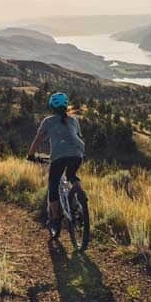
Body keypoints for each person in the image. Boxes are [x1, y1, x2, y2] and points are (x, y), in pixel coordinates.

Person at [27, 92, 85, 237]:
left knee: (53, 185)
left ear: (51, 107)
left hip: (59, 156)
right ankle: (80, 198)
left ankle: (56, 219)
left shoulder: (48, 121)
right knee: (71, 176)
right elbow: (78, 137)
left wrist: (31, 155)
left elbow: (38, 139)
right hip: (78, 154)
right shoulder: (74, 120)